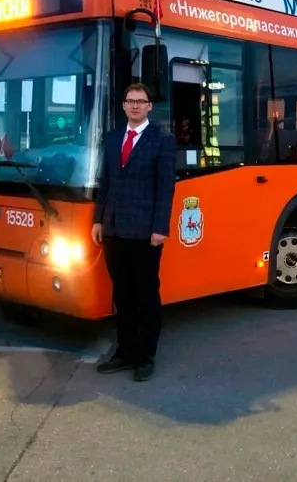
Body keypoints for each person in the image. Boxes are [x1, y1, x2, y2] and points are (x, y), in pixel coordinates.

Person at [91, 83, 176, 381]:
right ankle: (125, 352)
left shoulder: (163, 140)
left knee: (146, 294)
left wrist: (160, 228)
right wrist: (98, 220)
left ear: (149, 106)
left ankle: (145, 356)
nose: (136, 106)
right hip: (114, 229)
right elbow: (105, 181)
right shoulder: (114, 139)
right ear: (124, 106)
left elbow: (166, 188)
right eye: (130, 101)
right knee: (123, 295)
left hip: (145, 232)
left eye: (141, 101)